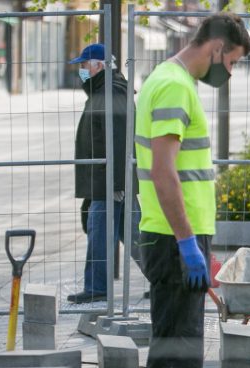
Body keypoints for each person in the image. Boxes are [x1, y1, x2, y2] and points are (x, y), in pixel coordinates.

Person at [134, 13, 250, 368]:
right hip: (171, 241)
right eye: (233, 62)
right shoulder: (175, 88)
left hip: (183, 239)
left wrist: (201, 240)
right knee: (174, 360)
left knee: (182, 355)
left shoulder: (173, 82)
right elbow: (164, 174)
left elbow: (185, 172)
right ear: (217, 47)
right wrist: (186, 243)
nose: (230, 72)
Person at [68, 43, 139, 304]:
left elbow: (120, 140)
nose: (81, 70)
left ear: (99, 66)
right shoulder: (103, 91)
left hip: (111, 180)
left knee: (101, 230)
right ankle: (165, 278)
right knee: (134, 235)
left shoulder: (112, 93)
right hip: (105, 178)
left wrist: (117, 183)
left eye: (84, 65)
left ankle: (97, 286)